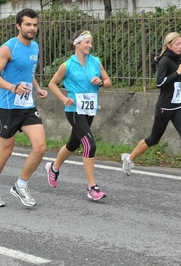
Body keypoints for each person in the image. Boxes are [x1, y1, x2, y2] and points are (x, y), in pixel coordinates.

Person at [0, 8, 48, 208]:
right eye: (28, 24)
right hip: (7, 106)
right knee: (6, 151)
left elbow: (28, 73)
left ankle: (21, 184)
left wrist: (37, 89)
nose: (32, 28)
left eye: (35, 24)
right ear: (18, 26)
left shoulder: (35, 47)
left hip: (27, 105)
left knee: (40, 147)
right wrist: (12, 87)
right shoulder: (8, 48)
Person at [121, 32, 181, 186]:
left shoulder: (174, 60)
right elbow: (160, 83)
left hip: (177, 106)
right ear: (169, 45)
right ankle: (129, 159)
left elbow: (170, 80)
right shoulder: (165, 60)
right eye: (177, 44)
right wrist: (178, 73)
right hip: (165, 107)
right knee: (154, 139)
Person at [45, 30, 112, 200]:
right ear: (77, 44)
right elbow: (52, 84)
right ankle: (92, 188)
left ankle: (53, 168)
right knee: (90, 145)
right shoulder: (67, 65)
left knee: (73, 144)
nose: (90, 45)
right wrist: (63, 98)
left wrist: (101, 82)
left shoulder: (96, 62)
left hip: (89, 110)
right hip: (74, 110)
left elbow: (109, 82)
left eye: (91, 42)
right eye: (87, 42)